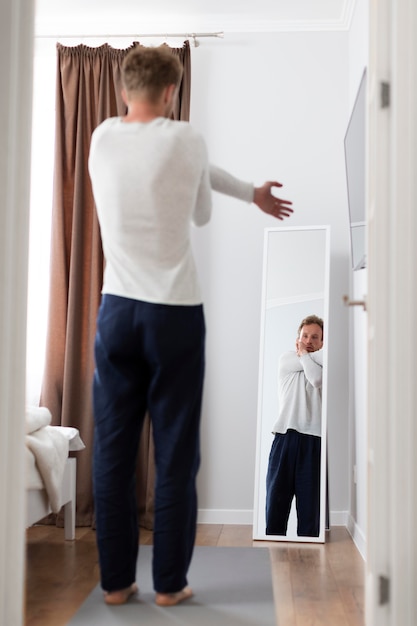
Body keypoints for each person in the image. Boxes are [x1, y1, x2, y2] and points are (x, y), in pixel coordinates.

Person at [88, 44, 293, 608]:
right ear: (172, 91)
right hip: (174, 312)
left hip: (117, 312)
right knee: (175, 452)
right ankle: (171, 585)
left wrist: (248, 191)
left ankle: (115, 583)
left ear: (123, 89)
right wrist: (241, 194)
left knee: (113, 451)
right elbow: (200, 209)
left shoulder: (101, 138)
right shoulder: (186, 139)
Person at [265, 314, 324, 537]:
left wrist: (307, 357)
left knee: (310, 510)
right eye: (305, 336)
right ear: (297, 339)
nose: (309, 340)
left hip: (314, 441)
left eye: (315, 337)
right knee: (275, 505)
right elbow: (315, 371)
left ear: (322, 342)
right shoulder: (286, 358)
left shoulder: (317, 364)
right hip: (284, 438)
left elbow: (316, 379)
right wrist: (306, 356)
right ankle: (272, 555)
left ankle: (309, 560)